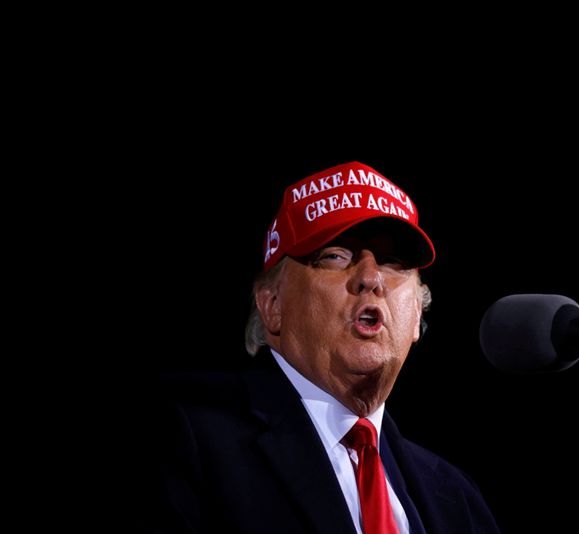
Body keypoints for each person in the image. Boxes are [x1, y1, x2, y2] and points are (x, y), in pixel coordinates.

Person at [145, 161, 501, 533]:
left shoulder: (456, 497)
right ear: (273, 305)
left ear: (416, 316)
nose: (370, 278)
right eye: (335, 256)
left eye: (393, 262)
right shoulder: (181, 436)